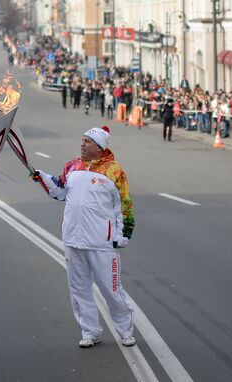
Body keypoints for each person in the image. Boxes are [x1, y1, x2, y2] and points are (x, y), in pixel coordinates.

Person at [31, 126, 136, 348]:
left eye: (87, 141)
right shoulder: (72, 166)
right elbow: (60, 191)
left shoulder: (114, 171)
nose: (82, 144)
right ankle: (90, 331)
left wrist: (124, 233)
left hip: (102, 243)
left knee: (112, 289)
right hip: (73, 239)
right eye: (82, 140)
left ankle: (125, 330)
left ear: (99, 147)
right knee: (79, 290)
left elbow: (125, 206)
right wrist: (40, 176)